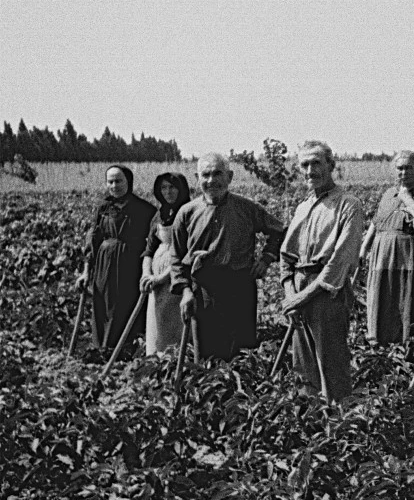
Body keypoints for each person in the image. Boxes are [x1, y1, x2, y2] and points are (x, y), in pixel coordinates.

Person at [170, 153, 286, 360]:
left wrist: (266, 259)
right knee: (205, 353)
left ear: (230, 177)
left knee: (241, 350)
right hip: (202, 289)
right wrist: (185, 291)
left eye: (218, 173)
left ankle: (240, 391)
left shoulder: (247, 208)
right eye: (205, 175)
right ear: (197, 178)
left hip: (239, 286)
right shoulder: (187, 212)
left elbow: (278, 231)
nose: (211, 180)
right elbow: (176, 256)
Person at [280, 141, 365, 401]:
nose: (310, 170)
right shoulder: (302, 206)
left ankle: (338, 429)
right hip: (299, 290)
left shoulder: (348, 205)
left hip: (326, 292)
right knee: (303, 368)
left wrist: (300, 298)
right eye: (304, 164)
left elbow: (339, 263)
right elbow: (286, 257)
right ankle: (309, 427)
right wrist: (290, 295)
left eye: (316, 163)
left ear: (331, 165)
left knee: (331, 365)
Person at [359, 151, 414, 345]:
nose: (404, 172)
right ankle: (382, 349)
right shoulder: (389, 194)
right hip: (383, 261)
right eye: (400, 168)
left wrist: (407, 199)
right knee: (383, 304)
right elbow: (377, 221)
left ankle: (413, 351)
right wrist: (364, 247)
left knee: (412, 303)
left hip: (412, 262)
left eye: (409, 168)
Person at [78, 165, 156, 350]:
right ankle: (102, 348)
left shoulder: (144, 209)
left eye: (118, 181)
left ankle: (127, 349)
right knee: (103, 305)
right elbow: (92, 240)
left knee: (126, 305)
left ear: (128, 182)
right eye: (110, 181)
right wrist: (86, 271)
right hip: (104, 265)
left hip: (130, 265)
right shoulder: (102, 208)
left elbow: (153, 242)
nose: (114, 186)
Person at [140, 172, 192, 355]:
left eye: (172, 187)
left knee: (174, 320)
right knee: (158, 317)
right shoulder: (159, 214)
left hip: (177, 276)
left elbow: (186, 253)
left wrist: (162, 278)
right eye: (163, 188)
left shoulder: (188, 212)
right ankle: (158, 358)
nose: (167, 192)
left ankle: (175, 360)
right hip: (156, 279)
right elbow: (148, 250)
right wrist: (147, 274)